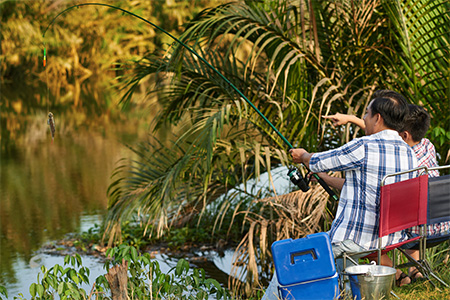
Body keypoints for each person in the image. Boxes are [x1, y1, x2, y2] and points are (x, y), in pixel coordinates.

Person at [261, 90, 418, 300]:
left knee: (287, 267)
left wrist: (303, 156)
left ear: (378, 118)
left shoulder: (364, 146)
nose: (364, 118)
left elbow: (319, 161)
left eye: (366, 113)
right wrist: (323, 177)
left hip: (357, 241)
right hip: (391, 238)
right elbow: (369, 187)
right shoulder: (408, 152)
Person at [323, 104, 447, 283]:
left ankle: (394, 274)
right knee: (412, 209)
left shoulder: (404, 161)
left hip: (416, 229)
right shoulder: (427, 145)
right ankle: (415, 269)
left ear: (403, 135)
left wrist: (325, 178)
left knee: (371, 230)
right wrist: (351, 119)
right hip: (440, 225)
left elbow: (358, 187)